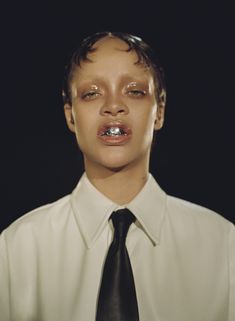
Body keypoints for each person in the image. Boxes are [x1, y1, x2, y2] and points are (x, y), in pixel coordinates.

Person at [0, 31, 234, 321]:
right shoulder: (16, 251)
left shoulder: (224, 246)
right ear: (71, 115)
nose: (113, 105)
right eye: (92, 93)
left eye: (134, 91)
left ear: (159, 111)